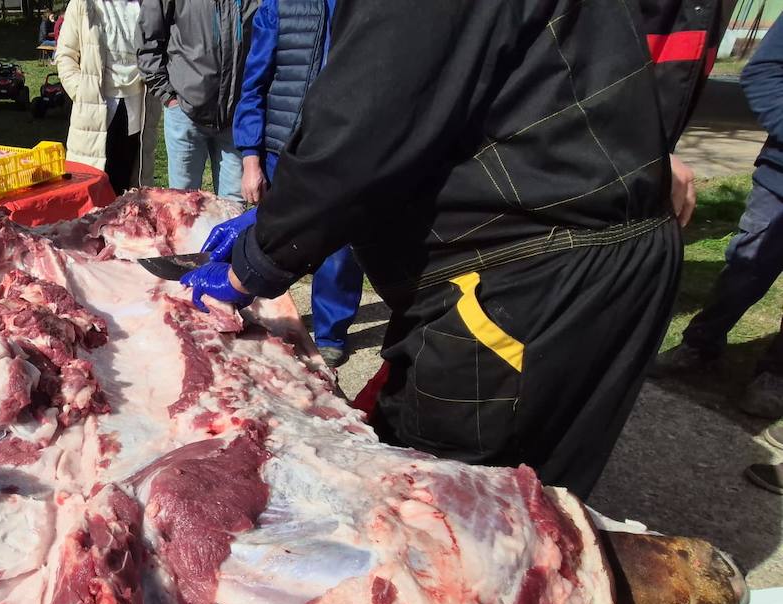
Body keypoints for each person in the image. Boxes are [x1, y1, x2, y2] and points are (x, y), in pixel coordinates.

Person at [180, 0, 717, 498]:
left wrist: (255, 265)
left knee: (435, 506)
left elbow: (362, 132)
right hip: (590, 252)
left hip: (527, 276)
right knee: (534, 496)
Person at [656, 23, 783, 421]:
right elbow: (764, 71)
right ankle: (701, 343)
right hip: (782, 176)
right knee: (748, 263)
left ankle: (776, 375)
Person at [230, 0, 361, 365]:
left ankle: (331, 331)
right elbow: (253, 84)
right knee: (270, 239)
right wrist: (251, 157)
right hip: (281, 149)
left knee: (339, 251)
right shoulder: (278, 6)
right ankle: (263, 319)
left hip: (343, 149)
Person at [137, 0, 257, 201]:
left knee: (232, 210)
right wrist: (168, 96)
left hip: (236, 118)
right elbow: (148, 39)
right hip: (185, 112)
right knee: (184, 207)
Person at [55, 0, 160, 193]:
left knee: (125, 187)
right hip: (94, 108)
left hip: (137, 105)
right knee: (89, 189)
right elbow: (65, 55)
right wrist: (81, 92)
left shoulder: (147, 4)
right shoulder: (83, 4)